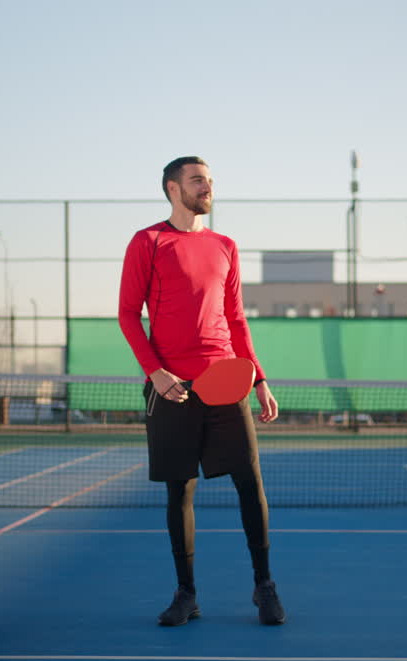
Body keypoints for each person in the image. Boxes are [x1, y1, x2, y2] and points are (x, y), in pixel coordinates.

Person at [118, 156, 286, 626]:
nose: (207, 188)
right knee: (180, 492)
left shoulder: (225, 245)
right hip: (171, 390)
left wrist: (259, 377)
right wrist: (156, 372)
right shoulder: (147, 242)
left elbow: (236, 318)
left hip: (226, 383)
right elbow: (128, 314)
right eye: (197, 181)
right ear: (173, 188)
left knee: (250, 484)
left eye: (210, 181)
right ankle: (186, 594)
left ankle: (265, 586)